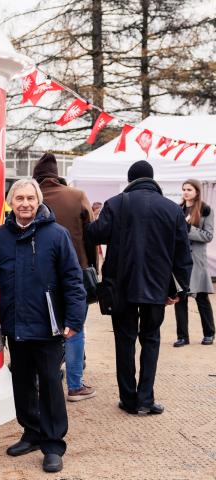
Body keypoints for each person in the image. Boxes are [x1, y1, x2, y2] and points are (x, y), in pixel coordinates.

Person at [0, 178, 86, 474]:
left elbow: (73, 279)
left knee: (49, 384)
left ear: (38, 201)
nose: (25, 204)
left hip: (48, 326)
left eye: (30, 198)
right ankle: (31, 433)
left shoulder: (57, 235)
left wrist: (74, 319)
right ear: (10, 201)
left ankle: (53, 444)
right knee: (21, 382)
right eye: (19, 198)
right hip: (15, 324)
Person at [86, 160, 192, 416]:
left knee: (125, 341)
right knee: (151, 340)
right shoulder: (171, 209)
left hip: (121, 285)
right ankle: (145, 399)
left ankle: (128, 398)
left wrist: (93, 217)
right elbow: (182, 254)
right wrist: (179, 290)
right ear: (152, 179)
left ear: (130, 179)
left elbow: (95, 234)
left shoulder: (116, 203)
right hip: (157, 287)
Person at [32, 153, 97, 402]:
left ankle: (44, 377)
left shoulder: (30, 198)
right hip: (76, 269)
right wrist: (91, 267)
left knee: (45, 325)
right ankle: (75, 385)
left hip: (41, 273)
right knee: (75, 326)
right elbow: (91, 235)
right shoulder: (76, 195)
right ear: (57, 174)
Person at [173, 179, 215, 347]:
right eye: (184, 189)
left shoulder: (205, 210)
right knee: (180, 299)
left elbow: (208, 236)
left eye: (189, 189)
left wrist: (188, 229)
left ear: (196, 191)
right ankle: (182, 336)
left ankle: (209, 333)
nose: (186, 192)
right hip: (180, 261)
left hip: (197, 261)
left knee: (202, 298)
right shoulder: (178, 209)